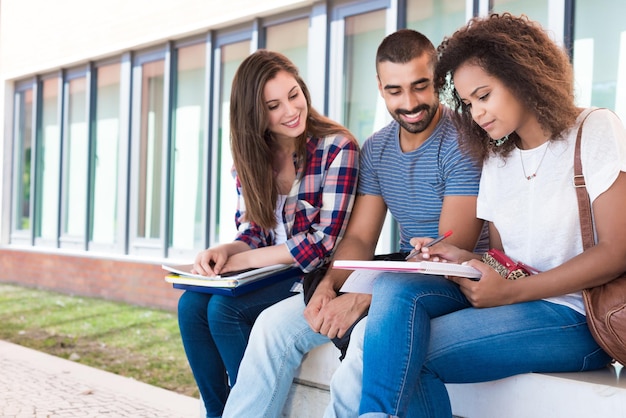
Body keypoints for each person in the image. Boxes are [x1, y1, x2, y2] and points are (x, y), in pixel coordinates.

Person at [357, 13, 626, 418]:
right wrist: (461, 259)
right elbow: (505, 261)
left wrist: (513, 292)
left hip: (576, 315)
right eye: (467, 103)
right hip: (516, 303)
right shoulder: (497, 157)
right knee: (396, 287)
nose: (477, 113)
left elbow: (618, 250)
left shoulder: (594, 129)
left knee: (410, 354)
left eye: (484, 96)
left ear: (521, 77)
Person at [222, 29, 487, 418]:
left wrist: (362, 297)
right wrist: (329, 286)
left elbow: (448, 252)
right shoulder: (377, 148)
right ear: (380, 88)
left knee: (367, 337)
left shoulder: (463, 141)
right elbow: (361, 236)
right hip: (398, 272)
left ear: (439, 81)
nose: (410, 103)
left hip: (453, 281)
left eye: (420, 86)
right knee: (270, 327)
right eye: (395, 90)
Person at [176, 49, 360, 418]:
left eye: (294, 95)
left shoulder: (337, 148)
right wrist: (225, 251)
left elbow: (322, 244)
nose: (291, 111)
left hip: (311, 275)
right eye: (274, 106)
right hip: (266, 271)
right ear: (255, 114)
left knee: (225, 311)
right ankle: (220, 412)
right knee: (190, 307)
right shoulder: (252, 157)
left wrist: (244, 260)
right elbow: (254, 231)